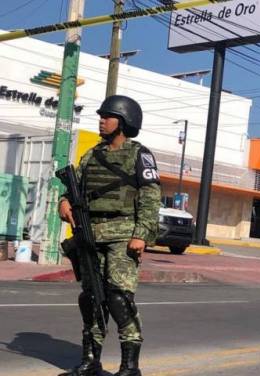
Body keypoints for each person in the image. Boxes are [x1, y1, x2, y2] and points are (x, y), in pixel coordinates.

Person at [58, 95, 161, 376]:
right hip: (90, 234)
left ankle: (130, 366)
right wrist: (63, 202)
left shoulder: (140, 154)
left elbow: (151, 198)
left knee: (118, 296)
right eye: (101, 116)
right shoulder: (91, 154)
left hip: (123, 235)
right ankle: (91, 360)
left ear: (124, 121)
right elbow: (74, 189)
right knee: (90, 297)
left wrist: (141, 234)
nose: (102, 120)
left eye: (108, 116)